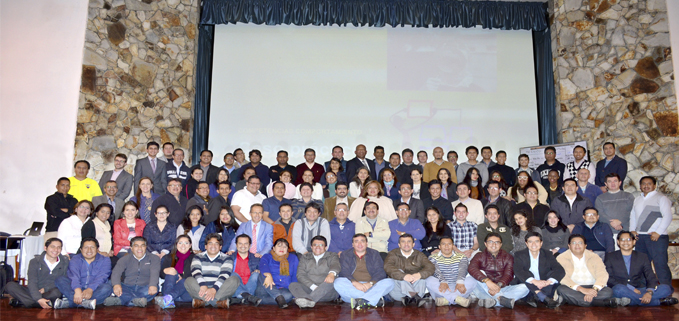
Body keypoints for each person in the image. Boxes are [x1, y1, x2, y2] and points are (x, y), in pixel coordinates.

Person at [604, 231, 678, 306]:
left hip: (640, 289)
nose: (625, 242)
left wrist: (649, 292)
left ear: (634, 242)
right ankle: (657, 302)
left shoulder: (642, 256)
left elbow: (650, 276)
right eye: (622, 240)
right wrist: (632, 289)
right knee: (618, 289)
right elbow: (609, 279)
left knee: (666, 288)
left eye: (629, 240)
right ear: (618, 242)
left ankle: (630, 301)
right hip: (623, 289)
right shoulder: (610, 257)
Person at [556, 234, 627, 307]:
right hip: (573, 288)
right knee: (561, 289)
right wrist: (581, 289)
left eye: (580, 243)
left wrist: (594, 290)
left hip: (592, 286)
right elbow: (562, 276)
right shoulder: (561, 258)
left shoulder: (594, 256)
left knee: (608, 291)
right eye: (574, 243)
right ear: (569, 246)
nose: (577, 245)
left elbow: (602, 274)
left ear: (585, 245)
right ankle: (603, 303)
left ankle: (572, 300)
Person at [629, 176, 673, 286]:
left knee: (660, 264)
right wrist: (632, 230)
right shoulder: (637, 199)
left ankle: (666, 291)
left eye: (649, 183)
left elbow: (667, 216)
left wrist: (658, 232)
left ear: (654, 185)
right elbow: (633, 216)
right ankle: (645, 289)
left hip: (657, 237)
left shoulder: (661, 198)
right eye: (643, 183)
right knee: (643, 265)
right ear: (640, 186)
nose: (646, 186)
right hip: (640, 237)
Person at [468, 233, 529, 308]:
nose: (494, 245)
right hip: (484, 288)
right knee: (476, 275)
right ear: (485, 244)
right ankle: (500, 299)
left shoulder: (508, 257)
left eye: (497, 242)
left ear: (501, 244)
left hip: (502, 288)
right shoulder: (479, 256)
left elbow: (509, 274)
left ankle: (490, 301)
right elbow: (471, 268)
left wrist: (498, 286)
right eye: (490, 242)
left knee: (526, 287)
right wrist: (487, 281)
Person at [334, 234, 394, 309]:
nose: (359, 244)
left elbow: (380, 271)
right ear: (353, 244)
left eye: (362, 241)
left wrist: (370, 283)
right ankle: (371, 300)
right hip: (352, 286)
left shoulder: (374, 253)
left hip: (371, 286)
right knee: (338, 282)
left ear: (367, 243)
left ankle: (359, 300)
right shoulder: (345, 254)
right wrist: (355, 282)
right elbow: (344, 272)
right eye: (356, 241)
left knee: (390, 282)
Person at [4, 238, 69, 309]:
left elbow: (64, 280)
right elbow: (32, 282)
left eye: (59, 247)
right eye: (53, 247)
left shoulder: (65, 262)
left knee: (57, 293)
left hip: (50, 292)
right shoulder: (34, 261)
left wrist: (46, 289)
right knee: (10, 285)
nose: (56, 250)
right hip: (34, 291)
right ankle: (41, 303)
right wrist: (38, 298)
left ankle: (23, 302)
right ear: (45, 248)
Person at [54, 238, 113, 310]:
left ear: (97, 249)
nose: (89, 250)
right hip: (76, 288)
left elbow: (102, 277)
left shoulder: (105, 260)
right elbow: (74, 276)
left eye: (92, 247)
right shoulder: (75, 259)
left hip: (95, 290)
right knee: (60, 280)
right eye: (86, 247)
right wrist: (77, 290)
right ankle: (86, 303)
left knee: (107, 287)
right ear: (81, 249)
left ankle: (71, 302)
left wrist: (90, 289)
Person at [185, 233, 240, 308]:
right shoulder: (197, 257)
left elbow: (224, 275)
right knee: (189, 280)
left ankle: (203, 302)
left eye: (216, 244)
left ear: (220, 247)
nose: (213, 246)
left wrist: (214, 289)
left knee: (234, 279)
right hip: (201, 287)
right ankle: (218, 302)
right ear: (205, 246)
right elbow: (196, 272)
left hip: (219, 289)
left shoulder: (227, 258)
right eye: (210, 243)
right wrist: (203, 285)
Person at [512, 232, 565, 308]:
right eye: (530, 242)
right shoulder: (519, 254)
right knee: (526, 275)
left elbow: (559, 270)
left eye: (536, 241)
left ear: (541, 243)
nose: (533, 244)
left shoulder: (548, 254)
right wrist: (534, 281)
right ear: (526, 244)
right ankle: (542, 296)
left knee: (553, 275)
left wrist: (548, 282)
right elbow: (518, 270)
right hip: (528, 283)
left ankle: (534, 297)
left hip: (544, 284)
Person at [105, 236, 160, 307]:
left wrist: (153, 285)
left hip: (145, 287)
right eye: (136, 246)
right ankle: (135, 301)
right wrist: (116, 285)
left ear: (146, 247)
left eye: (142, 246)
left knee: (155, 288)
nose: (140, 248)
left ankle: (121, 300)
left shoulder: (154, 258)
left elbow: (154, 272)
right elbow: (116, 272)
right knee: (111, 284)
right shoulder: (124, 259)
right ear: (131, 248)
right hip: (127, 287)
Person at [384, 234, 435, 307]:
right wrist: (404, 276)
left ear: (413, 244)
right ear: (399, 244)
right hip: (399, 293)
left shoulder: (419, 255)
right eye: (403, 242)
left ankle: (410, 298)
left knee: (422, 277)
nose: (406, 244)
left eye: (409, 241)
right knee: (399, 272)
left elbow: (430, 267)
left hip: (416, 288)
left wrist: (419, 275)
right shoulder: (392, 254)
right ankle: (415, 297)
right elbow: (388, 267)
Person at [289, 236, 341, 308]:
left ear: (325, 247)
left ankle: (307, 300)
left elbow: (335, 265)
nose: (318, 247)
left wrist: (332, 273)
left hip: (326, 291)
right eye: (315, 245)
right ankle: (310, 300)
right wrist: (313, 287)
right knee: (293, 285)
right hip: (309, 288)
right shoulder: (305, 257)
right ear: (311, 247)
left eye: (321, 245)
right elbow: (300, 275)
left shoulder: (332, 256)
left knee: (331, 281)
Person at [426, 237, 476, 307]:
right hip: (441, 287)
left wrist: (460, 282)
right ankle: (456, 299)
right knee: (429, 279)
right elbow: (435, 271)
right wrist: (443, 281)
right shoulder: (432, 257)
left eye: (449, 244)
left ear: (453, 246)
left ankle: (446, 300)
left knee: (472, 279)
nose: (446, 246)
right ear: (439, 247)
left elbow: (463, 270)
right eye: (443, 244)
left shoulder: (462, 256)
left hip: (458, 286)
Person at [256, 238, 299, 308]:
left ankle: (260, 300)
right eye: (279, 246)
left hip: (283, 289)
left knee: (288, 296)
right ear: (273, 248)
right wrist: (269, 276)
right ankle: (279, 297)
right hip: (266, 288)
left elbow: (295, 276)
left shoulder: (293, 258)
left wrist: (294, 296)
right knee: (263, 274)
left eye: (285, 247)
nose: (282, 248)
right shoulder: (266, 256)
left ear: (287, 249)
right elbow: (263, 266)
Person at [156, 236, 195, 308]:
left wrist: (181, 279)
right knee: (171, 272)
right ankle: (169, 299)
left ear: (190, 245)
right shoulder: (169, 257)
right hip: (170, 286)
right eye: (180, 243)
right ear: (176, 245)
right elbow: (161, 275)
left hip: (186, 290)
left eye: (186, 243)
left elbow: (197, 276)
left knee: (185, 281)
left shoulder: (195, 258)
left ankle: (168, 299)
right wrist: (165, 271)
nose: (183, 245)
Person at [595, 173, 634, 243]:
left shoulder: (628, 196)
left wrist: (620, 221)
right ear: (606, 184)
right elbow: (600, 214)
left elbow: (631, 212)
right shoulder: (600, 198)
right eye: (609, 181)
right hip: (607, 233)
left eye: (615, 181)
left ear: (620, 183)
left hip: (626, 232)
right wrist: (613, 223)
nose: (613, 183)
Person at [228, 234, 263, 306]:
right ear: (236, 245)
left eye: (246, 243)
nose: (243, 246)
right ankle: (246, 297)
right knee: (233, 274)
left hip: (251, 287)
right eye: (240, 243)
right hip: (234, 287)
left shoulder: (256, 258)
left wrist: (259, 271)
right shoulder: (229, 257)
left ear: (250, 245)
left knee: (256, 274)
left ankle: (241, 297)